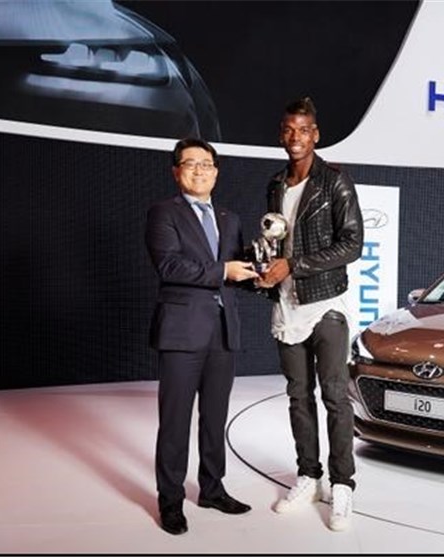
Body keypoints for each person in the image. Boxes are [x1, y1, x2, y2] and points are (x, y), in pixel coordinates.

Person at [257, 97, 364, 532]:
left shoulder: (335, 180)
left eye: (303, 130)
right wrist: (265, 267)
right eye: (288, 129)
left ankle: (342, 485)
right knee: (298, 395)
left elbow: (352, 244)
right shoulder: (275, 184)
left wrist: (293, 265)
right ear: (280, 134)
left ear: (315, 135)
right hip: (287, 304)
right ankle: (308, 476)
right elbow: (277, 241)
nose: (295, 137)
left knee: (335, 395)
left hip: (325, 305)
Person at [145, 138, 260, 535]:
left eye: (206, 164)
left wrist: (259, 275)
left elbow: (235, 272)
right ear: (176, 171)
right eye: (190, 163)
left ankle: (212, 489)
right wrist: (225, 271)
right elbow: (169, 266)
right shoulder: (164, 213)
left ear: (216, 171)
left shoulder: (229, 217)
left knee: (215, 419)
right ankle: (170, 500)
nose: (200, 170)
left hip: (223, 331)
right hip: (181, 331)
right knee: (174, 422)